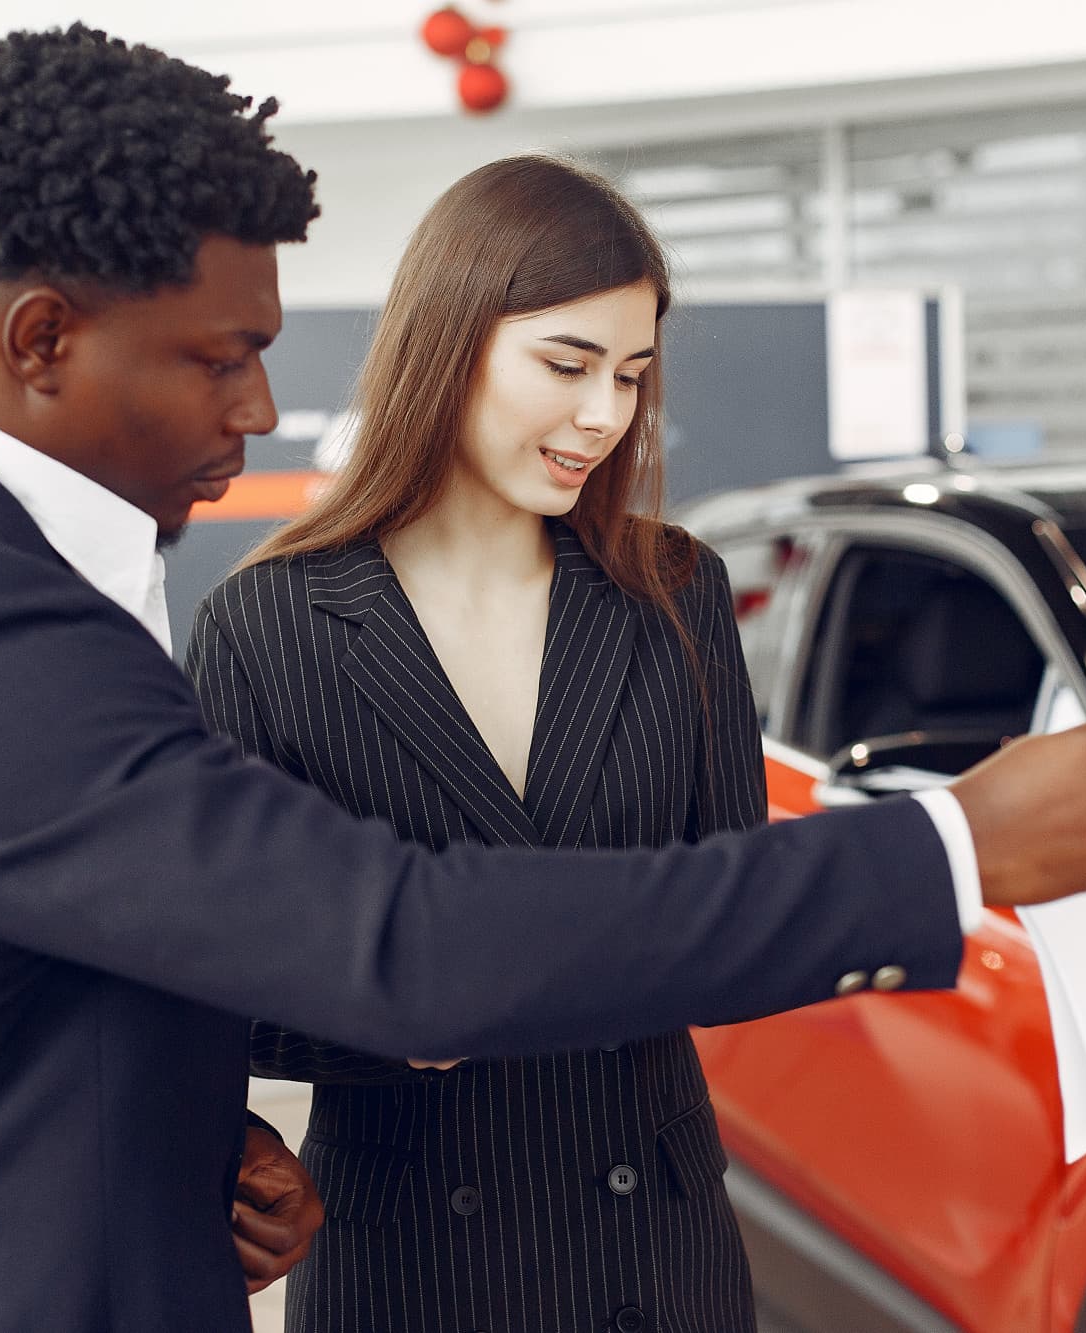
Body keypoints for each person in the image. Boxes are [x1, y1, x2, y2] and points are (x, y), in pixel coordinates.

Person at [0, 23, 1086, 1333]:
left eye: (633, 373)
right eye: (223, 358)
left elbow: (70, 976)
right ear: (41, 337)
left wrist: (187, 1149)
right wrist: (953, 846)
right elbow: (402, 945)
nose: (262, 408)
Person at [188, 153, 778, 1332]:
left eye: (629, 374)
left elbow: (738, 911)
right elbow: (202, 979)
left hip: (650, 1248)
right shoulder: (269, 621)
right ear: (448, 341)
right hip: (404, 1250)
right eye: (565, 366)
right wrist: (392, 1019)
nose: (603, 416)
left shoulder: (674, 588)